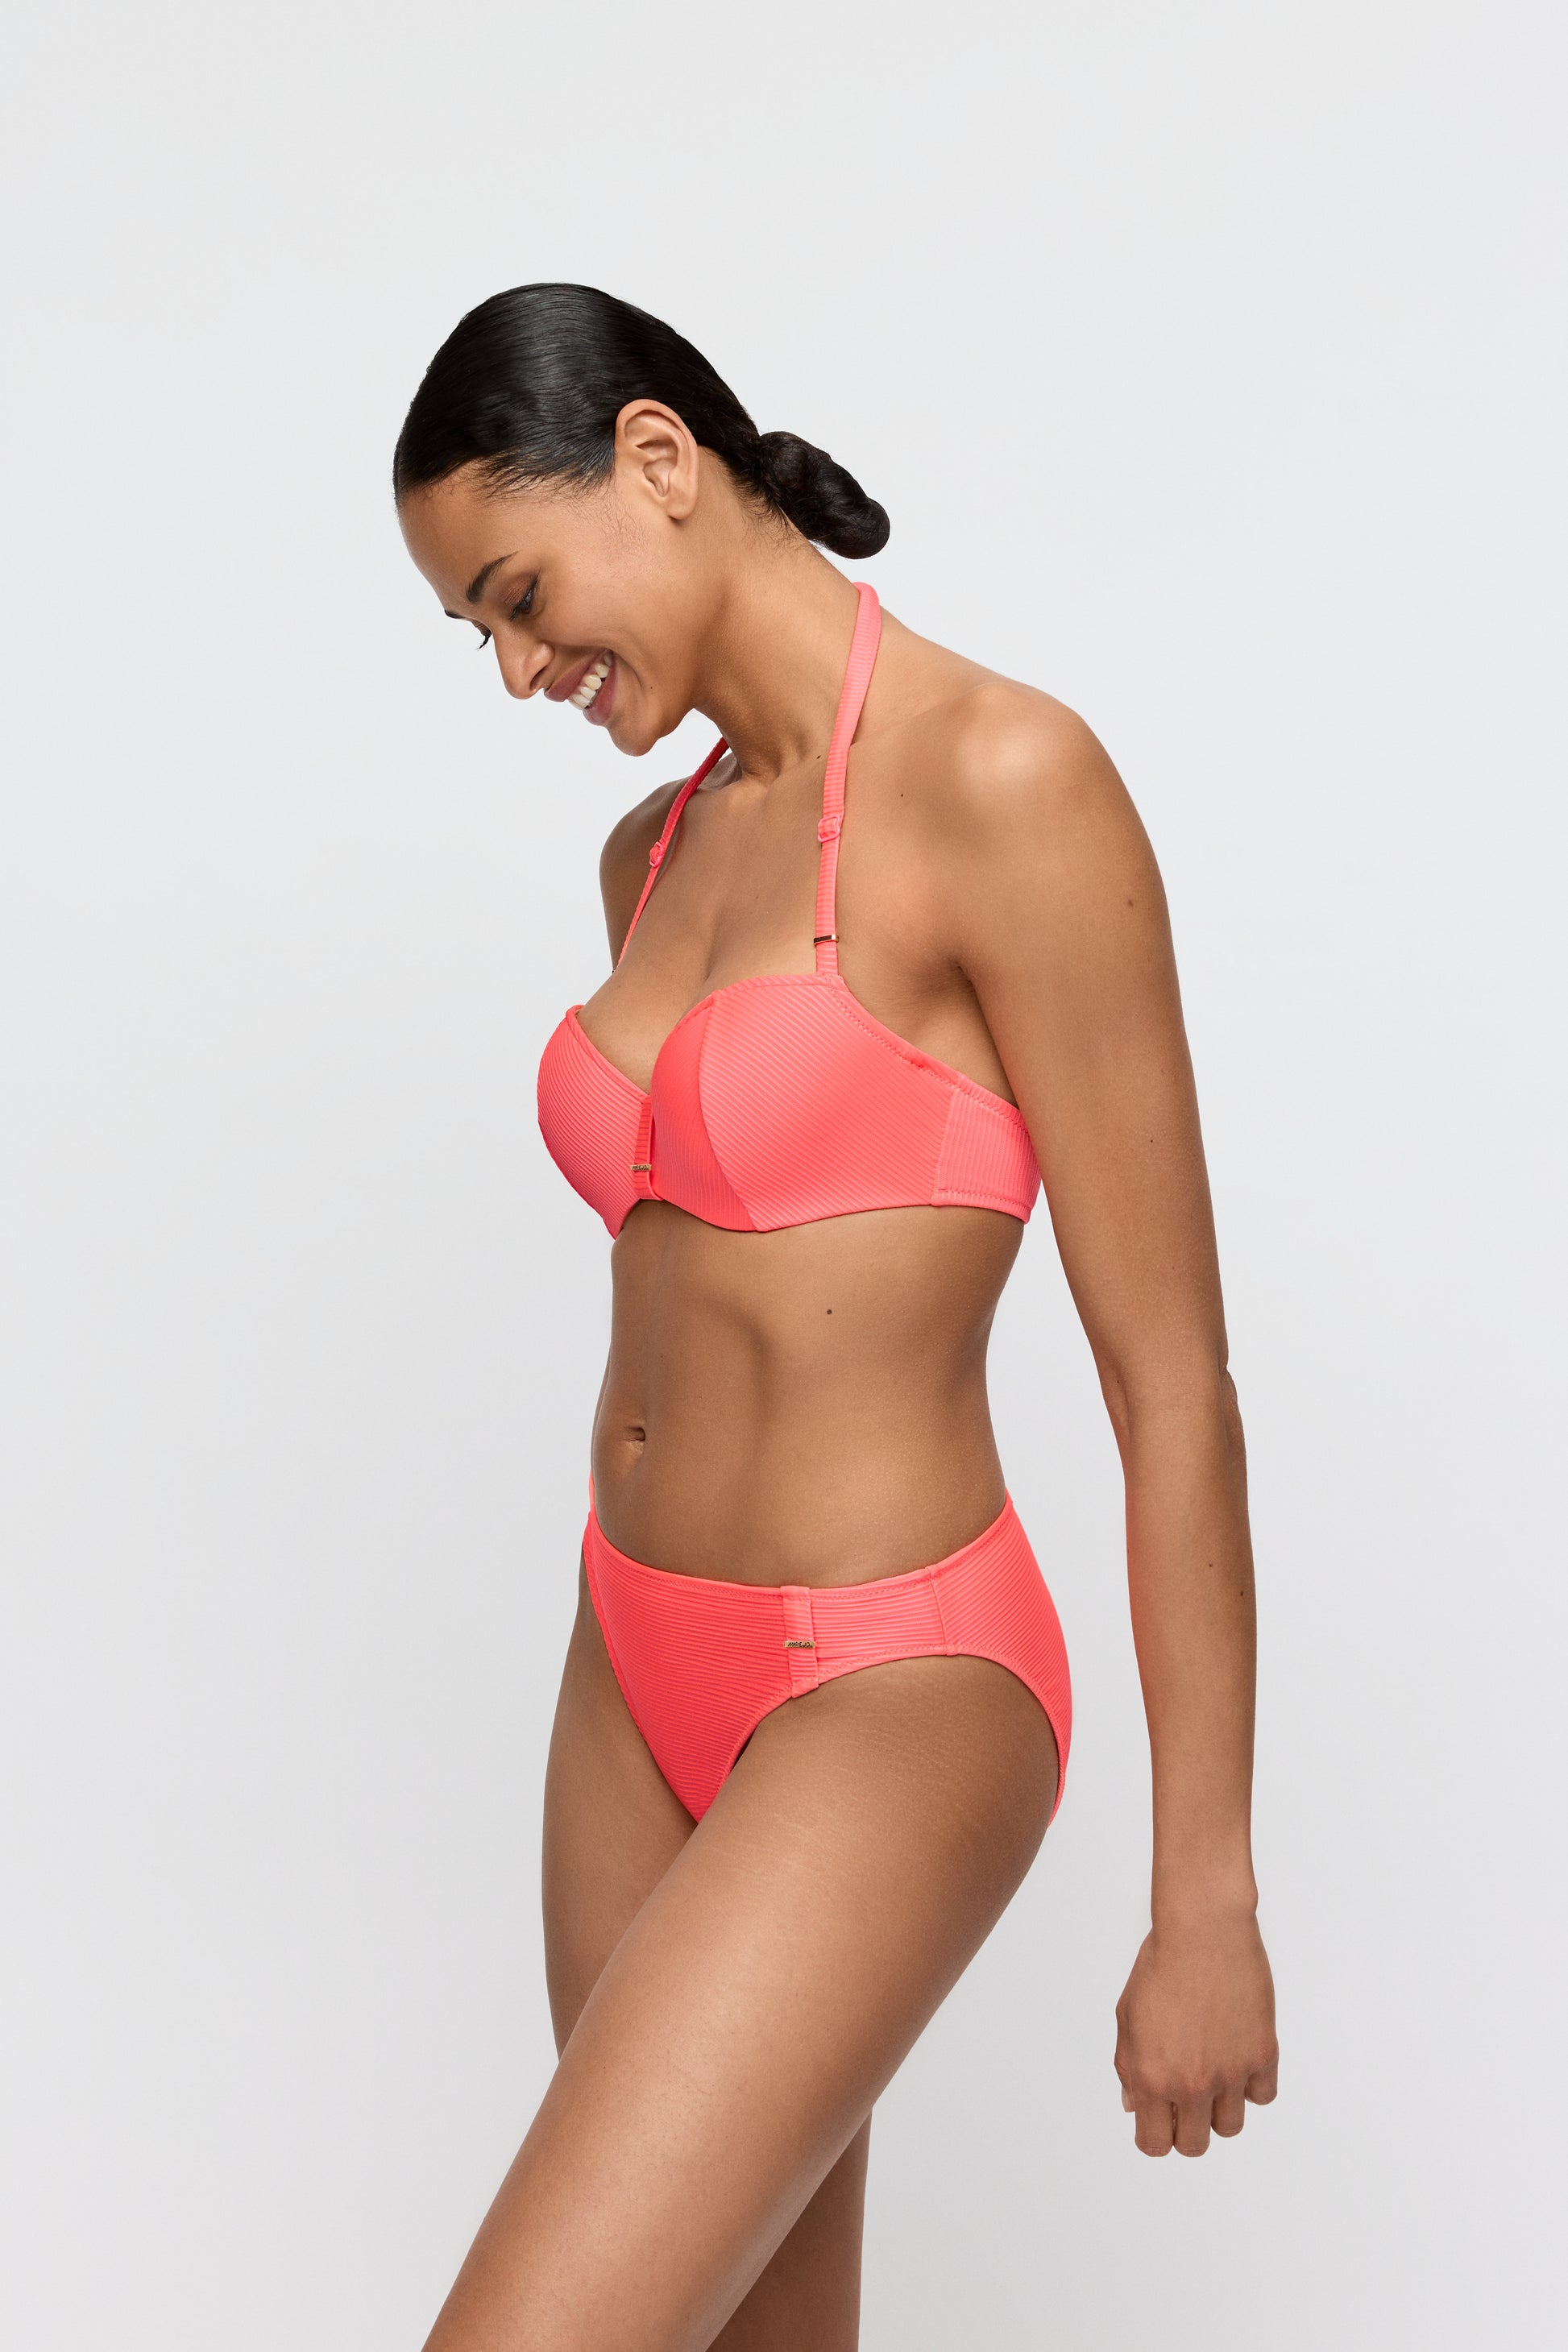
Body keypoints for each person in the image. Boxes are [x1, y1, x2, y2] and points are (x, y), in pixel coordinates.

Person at [394, 282, 1278, 2351]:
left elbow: (1171, 1383)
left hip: (891, 1679)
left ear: (657, 458)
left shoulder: (1005, 780)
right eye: (477, 635)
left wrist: (1205, 1890)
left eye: (517, 597)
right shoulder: (649, 852)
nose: (517, 669)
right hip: (628, 1663)